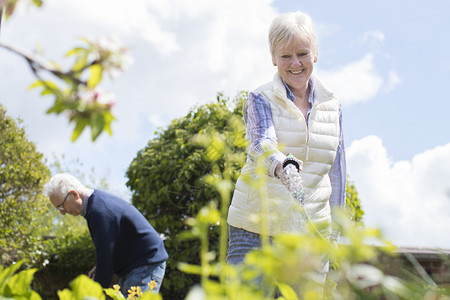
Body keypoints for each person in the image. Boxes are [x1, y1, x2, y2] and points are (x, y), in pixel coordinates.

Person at [226, 10, 346, 294]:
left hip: (309, 235)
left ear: (315, 53)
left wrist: (336, 233)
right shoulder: (260, 98)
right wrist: (283, 164)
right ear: (273, 58)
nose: (295, 63)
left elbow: (337, 172)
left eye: (302, 53)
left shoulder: (332, 105)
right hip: (255, 229)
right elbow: (260, 144)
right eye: (285, 56)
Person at [43, 173, 169, 296]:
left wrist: (93, 296)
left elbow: (106, 265)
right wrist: (99, 266)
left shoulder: (100, 211)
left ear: (74, 194)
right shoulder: (95, 206)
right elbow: (109, 249)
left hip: (145, 263)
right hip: (136, 265)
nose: (62, 212)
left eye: (61, 206)